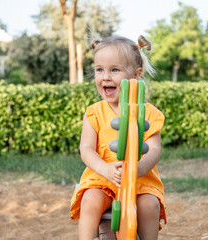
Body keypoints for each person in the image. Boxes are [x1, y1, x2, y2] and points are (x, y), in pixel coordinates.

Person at [70, 35, 167, 240]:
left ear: (136, 75)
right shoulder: (94, 113)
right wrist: (105, 169)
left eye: (115, 69)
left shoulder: (148, 113)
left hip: (139, 181)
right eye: (99, 70)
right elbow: (86, 149)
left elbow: (154, 150)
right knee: (90, 200)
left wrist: (137, 170)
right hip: (102, 179)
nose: (105, 77)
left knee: (149, 204)